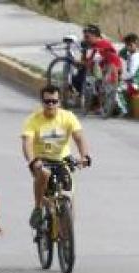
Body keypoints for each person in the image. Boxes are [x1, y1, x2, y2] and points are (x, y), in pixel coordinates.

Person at [21, 84, 91, 229]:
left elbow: (79, 138)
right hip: (41, 160)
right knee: (44, 174)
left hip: (62, 160)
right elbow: (27, 143)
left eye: (54, 101)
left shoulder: (68, 117)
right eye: (47, 102)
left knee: (69, 197)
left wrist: (85, 156)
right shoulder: (33, 120)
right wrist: (32, 161)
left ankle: (66, 238)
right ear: (42, 102)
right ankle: (38, 208)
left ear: (59, 102)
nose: (51, 105)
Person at [119, 33, 139, 117]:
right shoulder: (130, 55)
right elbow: (120, 54)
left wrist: (122, 78)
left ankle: (124, 110)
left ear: (136, 44)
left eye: (130, 45)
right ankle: (123, 107)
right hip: (131, 83)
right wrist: (125, 44)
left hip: (137, 84)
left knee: (118, 89)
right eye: (127, 45)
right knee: (118, 86)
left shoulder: (136, 56)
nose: (128, 47)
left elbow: (131, 74)